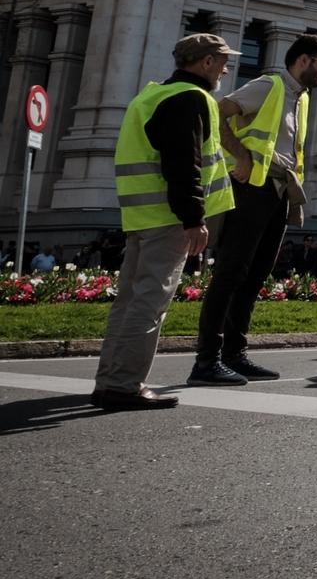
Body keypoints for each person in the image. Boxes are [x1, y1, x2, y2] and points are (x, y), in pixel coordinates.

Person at [91, 34, 238, 410]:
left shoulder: (150, 96)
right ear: (205, 62)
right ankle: (124, 385)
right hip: (169, 217)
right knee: (149, 302)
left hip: (142, 215)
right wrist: (194, 219)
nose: (226, 68)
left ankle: (110, 379)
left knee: (129, 301)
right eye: (222, 61)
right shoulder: (191, 99)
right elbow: (182, 164)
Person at [189, 34, 317, 386]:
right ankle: (206, 360)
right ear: (303, 60)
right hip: (251, 187)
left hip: (278, 190)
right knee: (231, 272)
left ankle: (234, 354)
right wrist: (240, 156)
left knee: (255, 274)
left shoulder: (301, 99)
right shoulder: (268, 86)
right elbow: (217, 113)